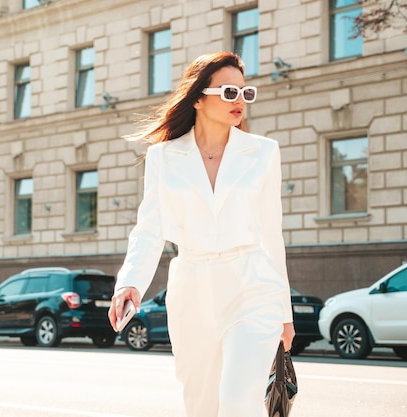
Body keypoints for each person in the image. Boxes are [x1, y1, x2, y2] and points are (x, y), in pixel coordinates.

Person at [108, 52, 295, 417]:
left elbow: (273, 235)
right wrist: (129, 283)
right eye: (228, 92)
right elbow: (149, 228)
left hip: (252, 287)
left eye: (245, 92)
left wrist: (284, 315)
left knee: (238, 402)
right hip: (191, 289)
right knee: (202, 406)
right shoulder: (163, 157)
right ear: (198, 97)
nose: (239, 101)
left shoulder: (263, 153)